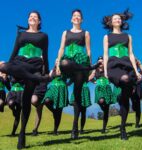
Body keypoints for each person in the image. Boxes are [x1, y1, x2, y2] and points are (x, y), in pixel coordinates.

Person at [0, 11, 50, 149]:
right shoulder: (21, 35)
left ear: (39, 21)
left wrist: (46, 72)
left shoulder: (43, 36)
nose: (32, 18)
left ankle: (22, 133)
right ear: (28, 20)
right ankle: (34, 78)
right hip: (19, 64)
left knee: (26, 100)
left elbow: (45, 55)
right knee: (3, 65)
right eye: (30, 17)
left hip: (34, 66)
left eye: (35, 17)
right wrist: (8, 69)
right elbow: (14, 51)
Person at [56, 9, 99, 139]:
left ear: (82, 20)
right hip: (68, 60)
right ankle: (78, 68)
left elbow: (89, 50)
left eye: (78, 16)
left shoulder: (86, 33)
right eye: (74, 16)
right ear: (71, 19)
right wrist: (58, 63)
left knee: (77, 95)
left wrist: (90, 69)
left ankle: (75, 127)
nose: (76, 18)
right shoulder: (65, 32)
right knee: (64, 64)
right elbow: (61, 48)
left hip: (81, 61)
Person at [102, 9, 141, 140]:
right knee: (124, 80)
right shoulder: (107, 37)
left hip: (127, 65)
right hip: (113, 66)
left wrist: (136, 71)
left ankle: (123, 127)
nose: (117, 20)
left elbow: (131, 54)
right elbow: (106, 55)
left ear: (122, 21)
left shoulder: (128, 36)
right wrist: (106, 71)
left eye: (119, 18)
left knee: (125, 99)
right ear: (110, 23)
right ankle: (123, 96)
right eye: (115, 19)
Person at [89, 57, 120, 133]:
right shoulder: (95, 70)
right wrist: (95, 82)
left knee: (106, 110)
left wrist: (110, 80)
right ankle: (104, 109)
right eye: (99, 62)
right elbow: (89, 78)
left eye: (102, 62)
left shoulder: (107, 69)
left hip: (107, 89)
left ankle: (103, 128)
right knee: (101, 101)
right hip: (99, 88)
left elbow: (112, 76)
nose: (101, 63)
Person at [42, 60, 68, 135]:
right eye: (56, 61)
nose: (57, 62)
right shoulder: (52, 71)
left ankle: (55, 130)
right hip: (52, 88)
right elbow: (48, 79)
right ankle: (54, 111)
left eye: (59, 61)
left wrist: (68, 83)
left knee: (59, 110)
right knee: (46, 100)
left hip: (61, 89)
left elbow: (72, 76)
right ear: (55, 63)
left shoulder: (65, 71)